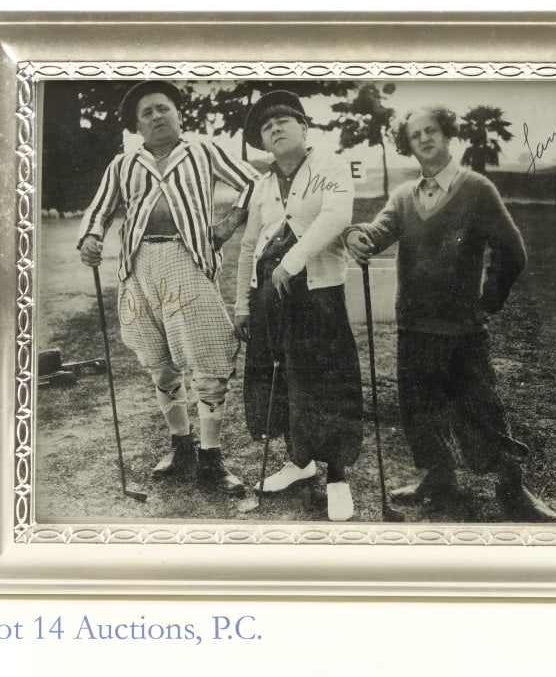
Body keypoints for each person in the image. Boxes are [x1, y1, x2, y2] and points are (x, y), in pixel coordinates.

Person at [344, 105, 556, 522]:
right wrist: (356, 234)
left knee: (481, 408)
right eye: (415, 135)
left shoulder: (476, 188)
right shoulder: (404, 196)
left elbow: (512, 249)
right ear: (406, 146)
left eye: (432, 131)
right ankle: (439, 479)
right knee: (419, 409)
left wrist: (489, 298)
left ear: (447, 135)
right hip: (414, 325)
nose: (424, 139)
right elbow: (379, 231)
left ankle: (513, 489)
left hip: (462, 329)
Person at [78, 80, 261, 494]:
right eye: (147, 113)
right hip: (138, 267)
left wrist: (230, 223)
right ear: (136, 126)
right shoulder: (123, 164)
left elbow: (252, 183)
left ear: (179, 113)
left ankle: (211, 459)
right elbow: (100, 210)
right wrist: (91, 239)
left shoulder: (203, 150)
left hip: (187, 261)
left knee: (208, 359)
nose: (157, 116)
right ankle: (180, 446)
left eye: (164, 108)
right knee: (158, 362)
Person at [233, 90, 364, 521]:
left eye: (284, 121)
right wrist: (242, 305)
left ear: (304, 128)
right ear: (263, 143)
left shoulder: (330, 165)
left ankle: (337, 477)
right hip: (270, 295)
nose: (275, 128)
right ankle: (299, 463)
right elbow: (249, 244)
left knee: (325, 379)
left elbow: (336, 216)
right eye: (266, 128)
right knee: (280, 379)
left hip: (318, 292)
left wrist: (291, 262)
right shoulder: (262, 184)